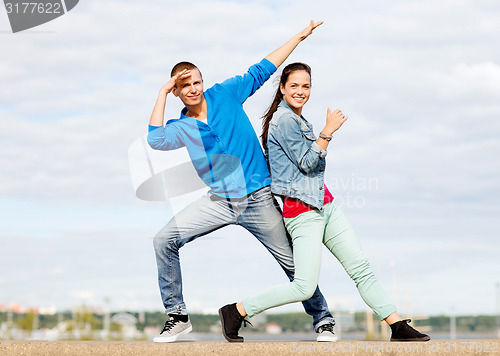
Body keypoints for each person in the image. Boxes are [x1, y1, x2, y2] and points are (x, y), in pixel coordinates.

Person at [147, 22, 338, 343]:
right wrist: (161, 93)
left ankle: (323, 319)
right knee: (163, 241)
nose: (193, 88)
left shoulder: (225, 93)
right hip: (218, 202)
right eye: (184, 86)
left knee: (293, 264)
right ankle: (177, 316)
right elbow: (156, 140)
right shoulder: (180, 126)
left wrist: (299, 37)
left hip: (258, 199)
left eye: (196, 81)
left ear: (202, 82)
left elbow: (263, 68)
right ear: (177, 91)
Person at [218, 62, 431, 342]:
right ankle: (237, 310)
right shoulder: (284, 120)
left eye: (306, 86)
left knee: (360, 268)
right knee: (304, 287)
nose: (300, 91)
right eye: (294, 85)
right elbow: (307, 164)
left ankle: (396, 325)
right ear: (282, 88)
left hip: (325, 205)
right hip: (302, 212)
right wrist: (328, 132)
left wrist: (323, 133)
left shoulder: (298, 119)